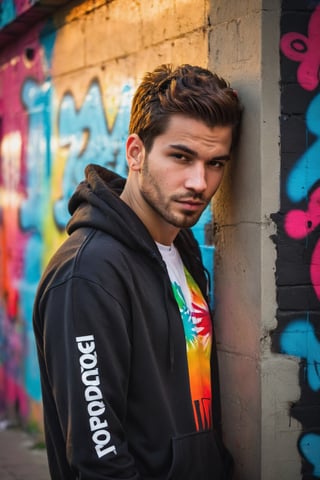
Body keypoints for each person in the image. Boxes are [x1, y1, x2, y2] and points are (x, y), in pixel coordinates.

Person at [33, 63, 242, 479]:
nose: (200, 182)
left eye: (216, 163)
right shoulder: (87, 275)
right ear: (135, 152)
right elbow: (98, 459)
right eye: (181, 157)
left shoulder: (180, 252)